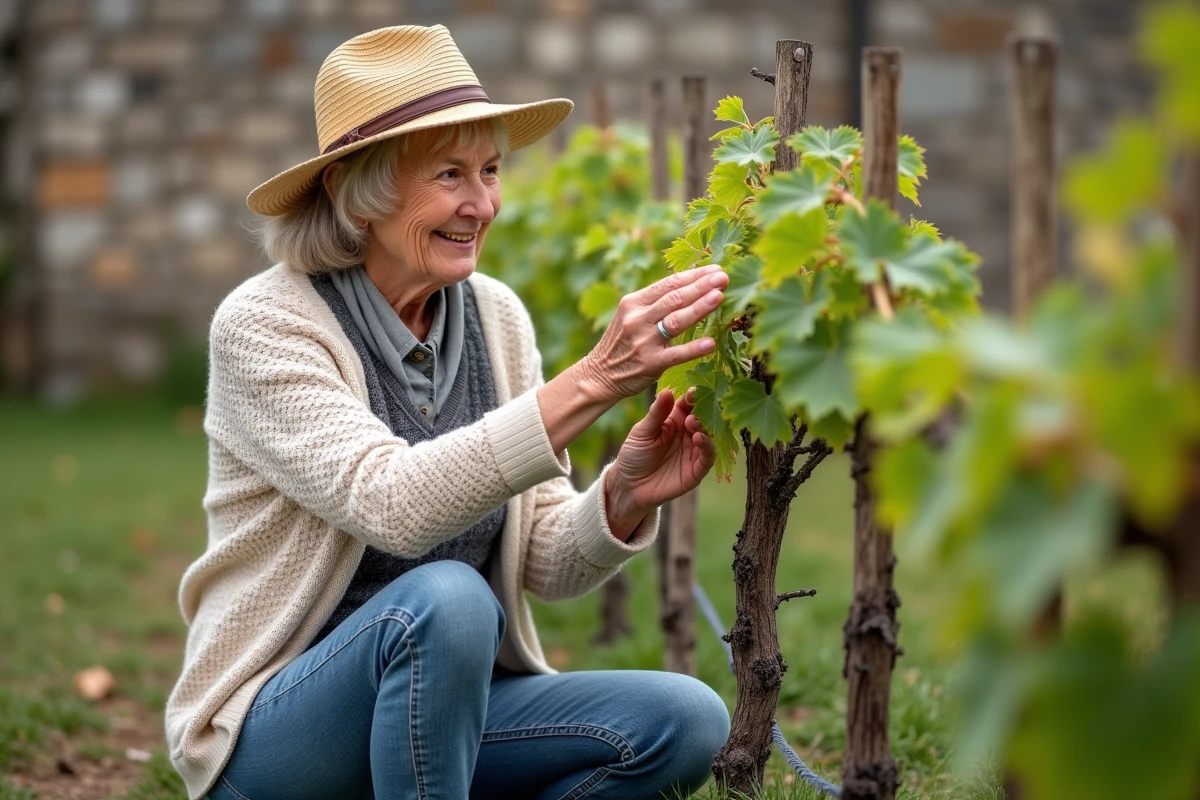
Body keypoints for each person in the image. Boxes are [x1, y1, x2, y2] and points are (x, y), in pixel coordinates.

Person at [166, 24, 732, 800]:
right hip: (279, 733)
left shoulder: (497, 316)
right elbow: (392, 503)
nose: (482, 203)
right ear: (355, 192)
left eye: (492, 169)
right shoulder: (267, 324)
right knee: (449, 600)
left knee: (686, 720)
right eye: (449, 174)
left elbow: (540, 562)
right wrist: (594, 380)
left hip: (444, 710)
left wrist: (620, 498)